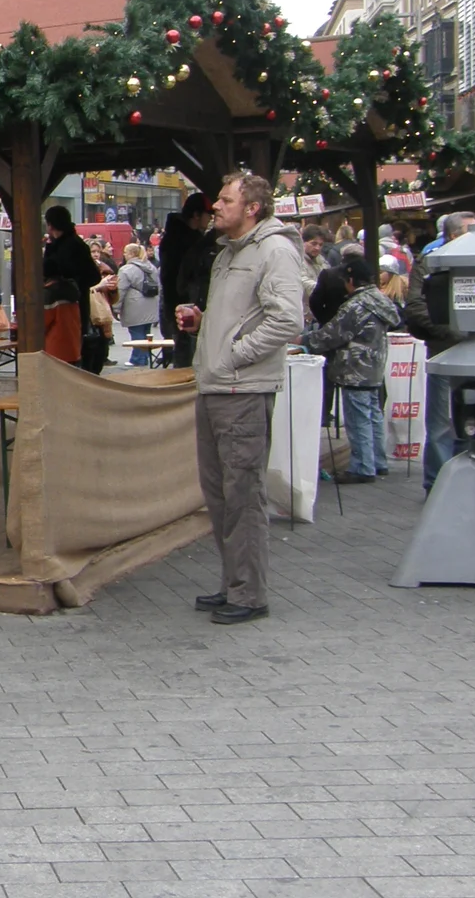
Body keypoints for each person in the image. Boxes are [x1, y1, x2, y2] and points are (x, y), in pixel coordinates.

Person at [174, 175, 304, 625]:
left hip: (240, 391)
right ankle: (235, 583)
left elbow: (287, 319)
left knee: (243, 495)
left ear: (252, 207)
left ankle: (249, 594)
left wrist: (235, 354)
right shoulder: (229, 252)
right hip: (215, 386)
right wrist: (203, 322)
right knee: (220, 495)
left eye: (227, 200)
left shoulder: (274, 250)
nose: (216, 206)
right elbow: (242, 316)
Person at [302, 255, 401, 485]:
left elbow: (333, 334)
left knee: (357, 419)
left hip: (355, 367)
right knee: (373, 414)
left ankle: (363, 467)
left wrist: (304, 340)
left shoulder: (356, 305)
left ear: (351, 280)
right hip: (374, 365)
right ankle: (378, 461)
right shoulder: (379, 299)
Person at [404, 211, 475, 493]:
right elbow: (417, 307)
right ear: (455, 234)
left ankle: (466, 480)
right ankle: (438, 484)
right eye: (472, 230)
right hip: (445, 350)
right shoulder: (430, 263)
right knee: (442, 423)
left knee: (472, 419)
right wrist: (454, 332)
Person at [159, 192, 216, 368]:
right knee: (189, 364)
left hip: (179, 308)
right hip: (187, 309)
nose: (211, 218)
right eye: (209, 214)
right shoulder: (188, 242)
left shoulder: (177, 238)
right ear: (196, 215)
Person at [43, 206, 102, 369]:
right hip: (71, 304)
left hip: (71, 304)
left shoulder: (72, 245)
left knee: (69, 355)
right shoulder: (60, 244)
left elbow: (93, 275)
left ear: (51, 224)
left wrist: (72, 282)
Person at [115, 243, 162, 365]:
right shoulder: (150, 267)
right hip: (150, 303)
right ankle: (145, 357)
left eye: (125, 252)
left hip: (134, 305)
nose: (124, 255)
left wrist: (115, 307)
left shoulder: (126, 270)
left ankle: (137, 359)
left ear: (131, 254)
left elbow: (121, 290)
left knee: (136, 333)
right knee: (146, 332)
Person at [300, 226, 331, 296]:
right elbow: (302, 281)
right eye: (313, 243)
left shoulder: (322, 260)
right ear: (303, 242)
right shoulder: (297, 260)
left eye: (320, 245)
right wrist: (323, 288)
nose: (317, 248)